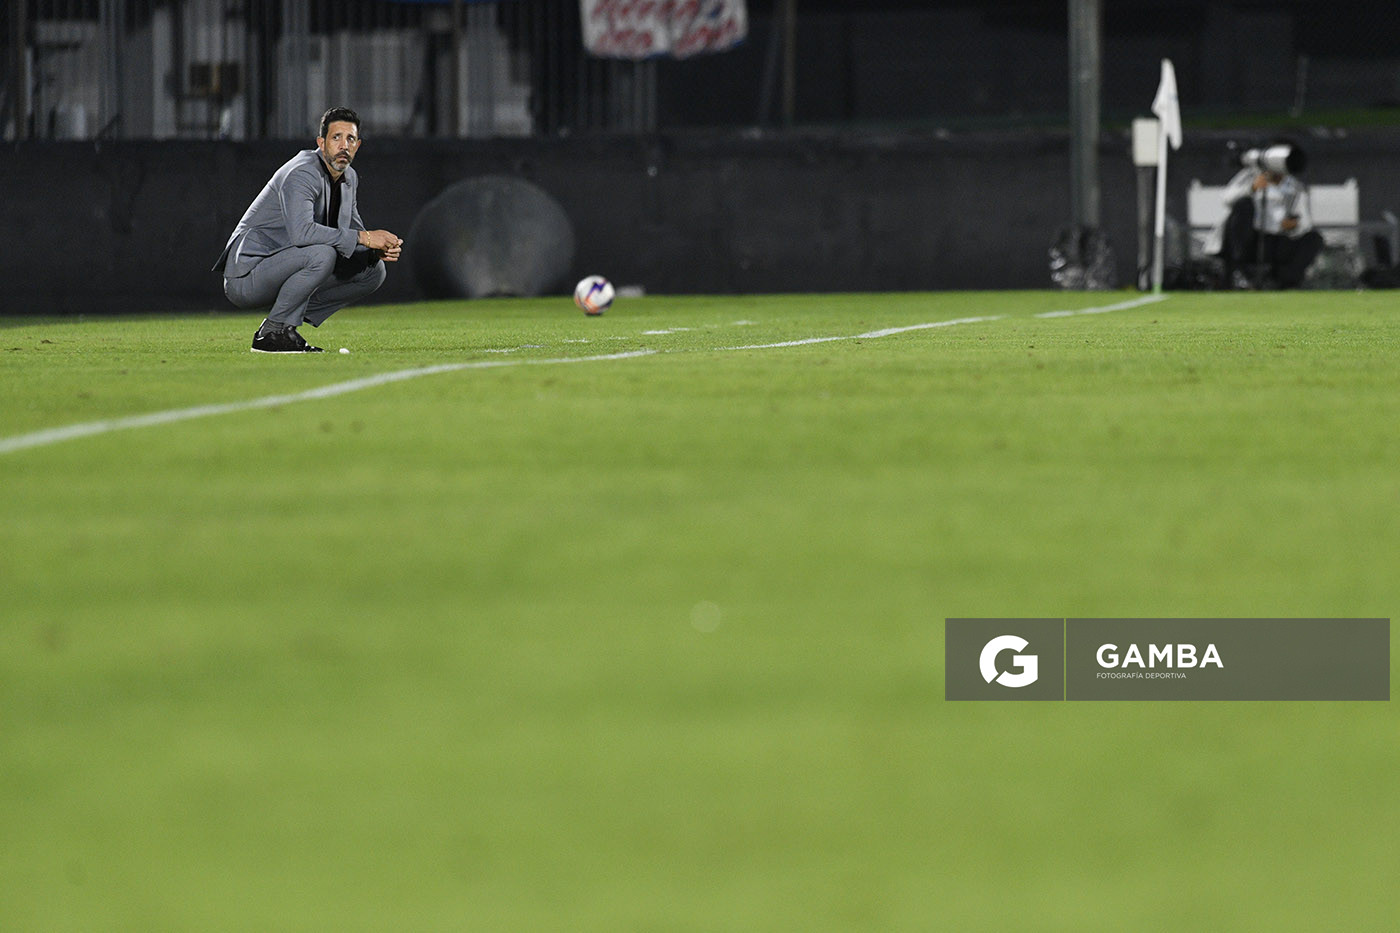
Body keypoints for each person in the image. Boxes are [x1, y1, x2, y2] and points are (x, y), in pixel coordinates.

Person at [214, 107, 404, 352]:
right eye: (336, 138)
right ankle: (272, 333)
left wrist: (375, 249)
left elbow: (353, 231)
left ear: (358, 145)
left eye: (350, 139)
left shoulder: (349, 177)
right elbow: (302, 233)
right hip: (247, 276)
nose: (344, 145)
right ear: (321, 143)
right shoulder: (302, 172)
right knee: (322, 254)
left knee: (372, 270)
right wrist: (365, 238)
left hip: (290, 265)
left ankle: (286, 319)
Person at [1209, 142, 1325, 290]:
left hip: (1278, 239)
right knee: (1244, 205)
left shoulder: (1296, 188)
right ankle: (1238, 271)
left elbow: (1306, 223)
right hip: (1249, 240)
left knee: (1314, 239)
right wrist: (1252, 188)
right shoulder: (1250, 176)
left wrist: (1294, 226)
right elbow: (1226, 198)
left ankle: (1284, 280)